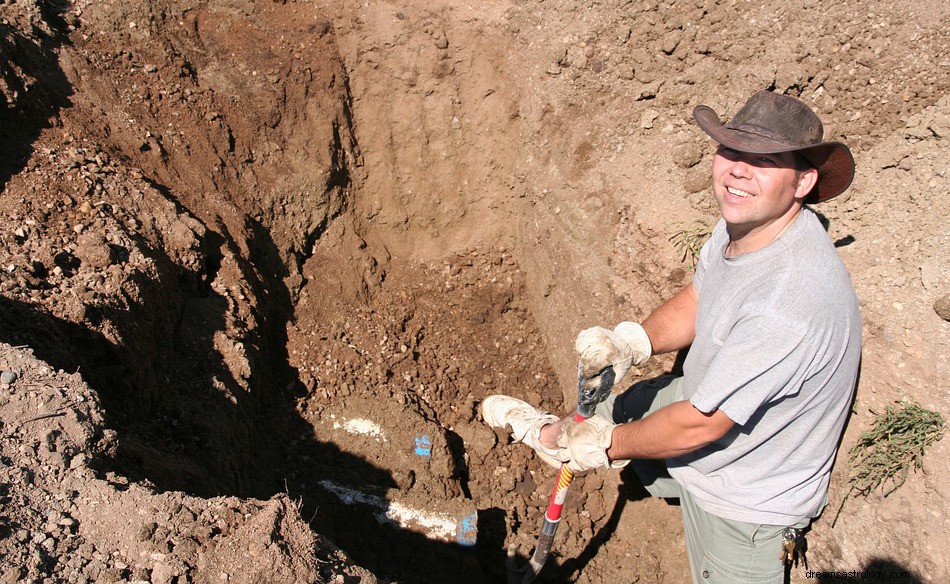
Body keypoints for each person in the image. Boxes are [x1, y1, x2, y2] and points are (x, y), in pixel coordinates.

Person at [481, 90, 861, 584]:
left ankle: (574, 443)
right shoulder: (747, 227)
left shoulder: (788, 302)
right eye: (732, 151)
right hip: (710, 403)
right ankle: (557, 436)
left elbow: (702, 424)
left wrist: (609, 445)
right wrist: (633, 341)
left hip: (744, 497)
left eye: (764, 161)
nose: (739, 171)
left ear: (804, 181)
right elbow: (703, 296)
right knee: (621, 409)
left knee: (614, 433)